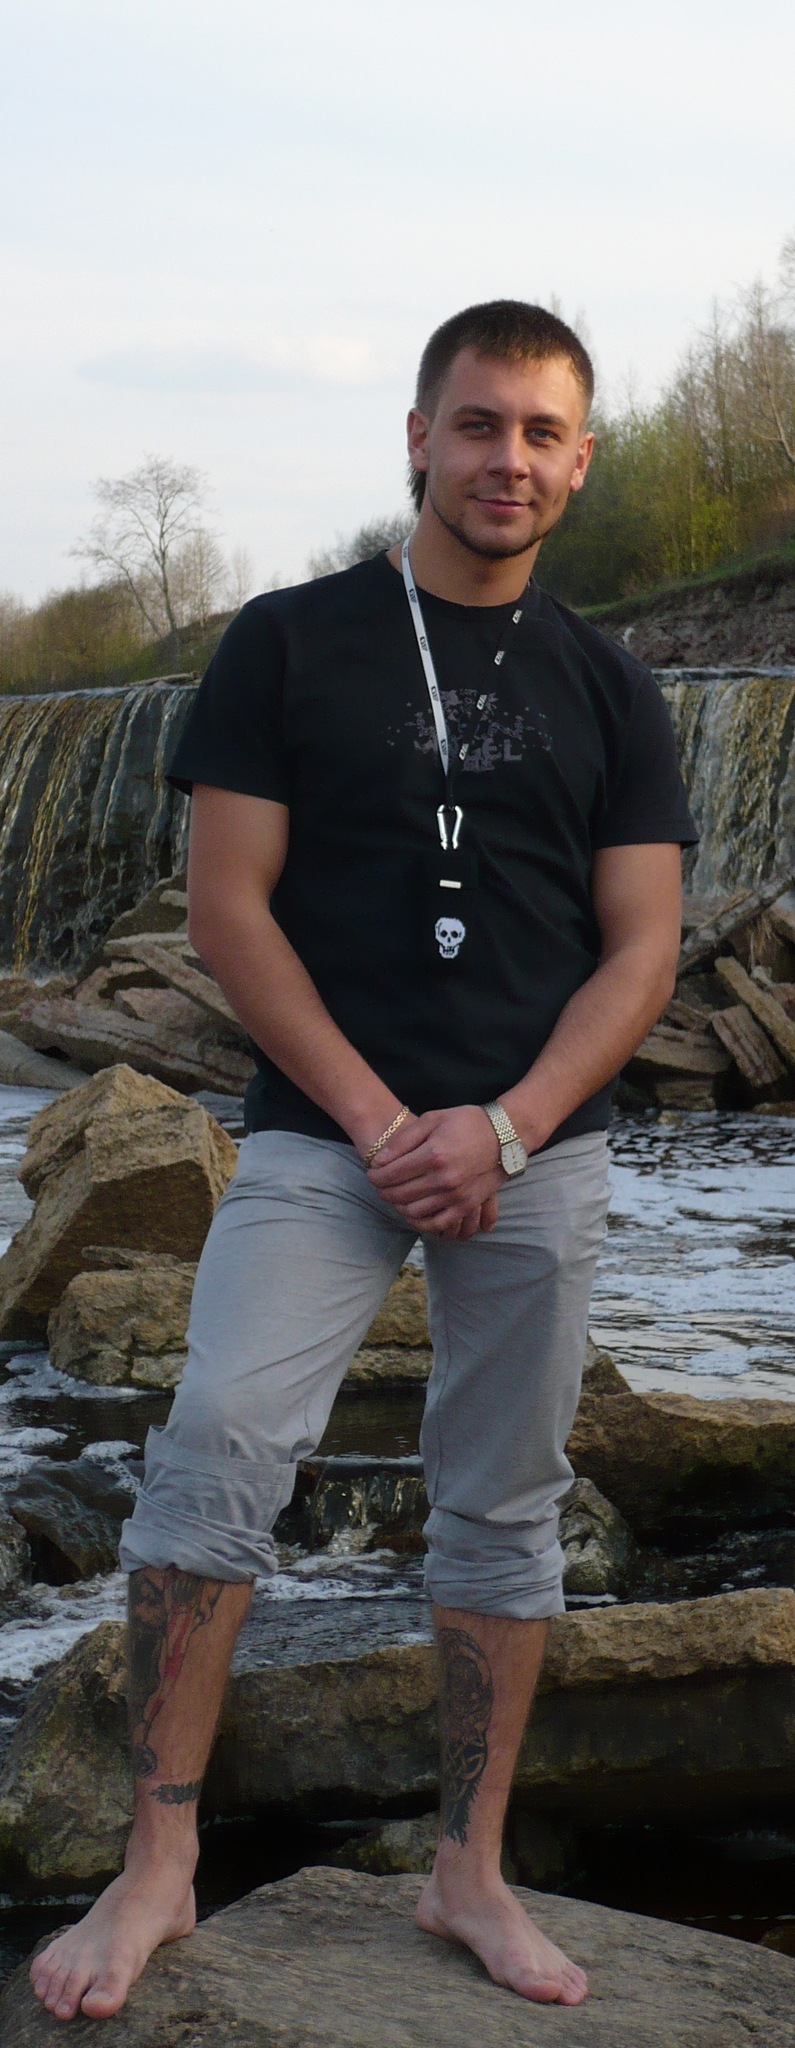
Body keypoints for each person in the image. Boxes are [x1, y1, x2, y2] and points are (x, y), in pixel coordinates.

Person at [31, 299, 696, 2023]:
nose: (507, 460)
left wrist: (509, 1124)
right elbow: (225, 909)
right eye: (478, 424)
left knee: (505, 1507)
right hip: (327, 1140)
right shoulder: (289, 641)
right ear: (418, 436)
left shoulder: (615, 685)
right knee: (216, 1446)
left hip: (536, 1151)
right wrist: (388, 1123)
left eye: (541, 434)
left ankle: (470, 1871)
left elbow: (642, 950)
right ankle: (157, 1862)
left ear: (581, 461)